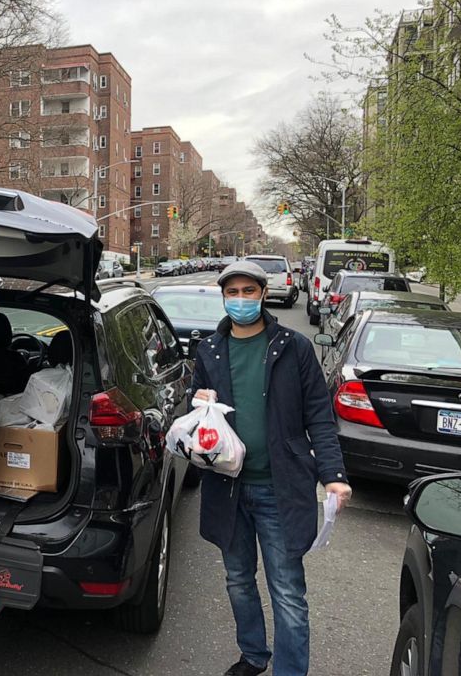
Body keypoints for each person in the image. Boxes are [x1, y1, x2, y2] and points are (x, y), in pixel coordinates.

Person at [190, 260, 352, 676]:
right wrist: (199, 405)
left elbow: (319, 415)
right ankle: (253, 655)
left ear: (263, 295)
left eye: (248, 292)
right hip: (227, 488)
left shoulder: (292, 347)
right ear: (223, 296)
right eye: (233, 292)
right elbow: (193, 421)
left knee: (287, 591)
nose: (240, 300)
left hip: (279, 489)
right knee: (238, 580)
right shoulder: (209, 350)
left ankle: (290, 670)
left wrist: (333, 476)